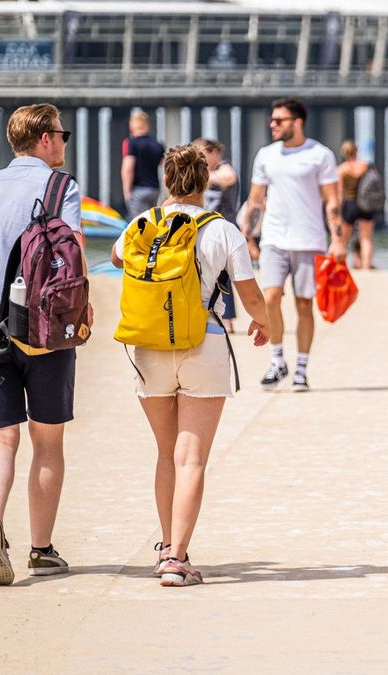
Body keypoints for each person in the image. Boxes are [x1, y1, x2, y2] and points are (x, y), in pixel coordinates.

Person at [111, 144, 271, 587]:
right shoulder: (221, 229)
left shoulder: (142, 223)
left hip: (149, 347)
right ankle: (177, 559)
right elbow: (249, 292)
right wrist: (265, 322)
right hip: (204, 344)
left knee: (167, 454)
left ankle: (167, 546)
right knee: (191, 458)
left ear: (166, 180)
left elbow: (118, 258)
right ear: (205, 182)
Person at [0, 103, 86, 585]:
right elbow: (73, 258)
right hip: (44, 330)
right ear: (45, 138)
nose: (64, 141)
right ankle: (41, 550)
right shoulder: (62, 188)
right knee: (46, 440)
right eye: (62, 134)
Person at [238, 98, 343, 392]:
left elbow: (332, 200)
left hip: (309, 240)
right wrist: (247, 236)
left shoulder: (320, 155)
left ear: (297, 123)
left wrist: (337, 239)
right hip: (274, 239)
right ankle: (277, 361)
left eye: (279, 120)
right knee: (270, 297)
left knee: (304, 304)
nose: (272, 124)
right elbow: (256, 200)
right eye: (272, 119)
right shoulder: (266, 155)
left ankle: (301, 370)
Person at [194, 137, 241, 333]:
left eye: (202, 154)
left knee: (223, 275)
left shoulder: (223, 167)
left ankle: (227, 319)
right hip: (203, 227)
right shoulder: (208, 170)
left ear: (214, 152)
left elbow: (229, 178)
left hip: (223, 228)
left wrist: (200, 175)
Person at [336, 139, 377, 270]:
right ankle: (366, 266)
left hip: (350, 203)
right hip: (365, 204)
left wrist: (337, 210)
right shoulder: (365, 166)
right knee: (366, 238)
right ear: (356, 151)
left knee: (343, 239)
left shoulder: (341, 169)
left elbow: (339, 193)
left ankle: (341, 266)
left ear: (343, 152)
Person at [121, 111, 164, 217]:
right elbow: (166, 165)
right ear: (147, 126)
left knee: (138, 222)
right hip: (154, 190)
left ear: (132, 126)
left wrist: (126, 192)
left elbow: (128, 168)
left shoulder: (130, 143)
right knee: (152, 221)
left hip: (138, 191)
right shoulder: (157, 144)